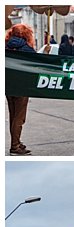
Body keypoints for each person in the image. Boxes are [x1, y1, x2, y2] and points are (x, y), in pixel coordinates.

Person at [6, 24, 36, 155]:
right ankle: (15, 146)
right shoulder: (26, 48)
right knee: (19, 117)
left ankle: (16, 141)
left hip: (8, 85)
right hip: (22, 86)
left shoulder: (6, 46)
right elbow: (37, 62)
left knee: (13, 116)